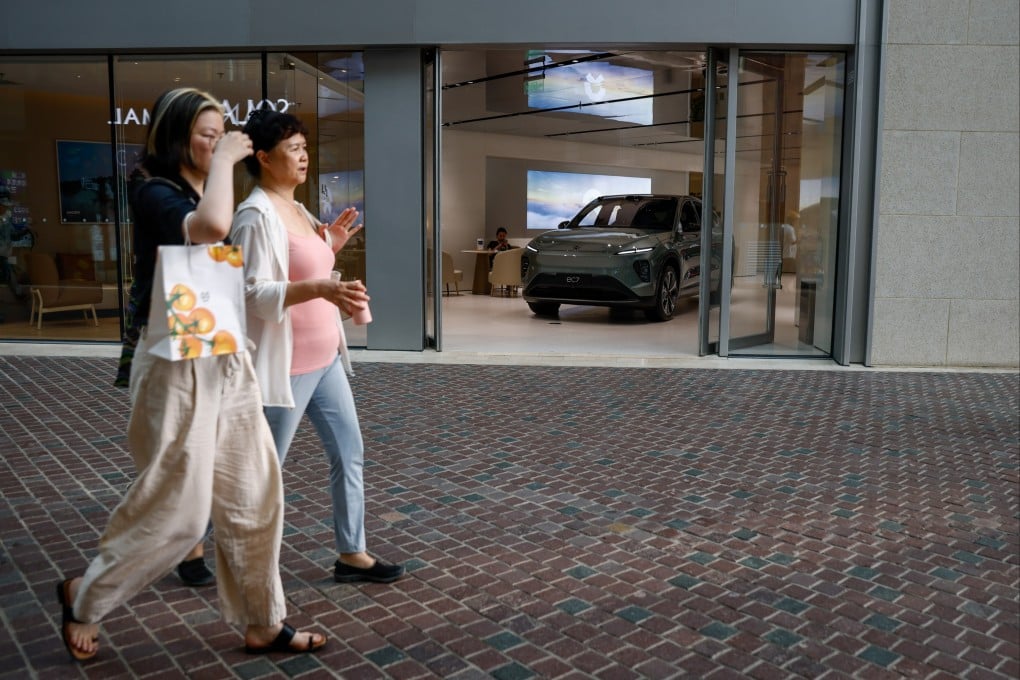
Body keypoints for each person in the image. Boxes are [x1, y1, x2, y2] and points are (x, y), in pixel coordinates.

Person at [57, 88, 327, 662]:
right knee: (181, 515)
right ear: (177, 136)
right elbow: (208, 230)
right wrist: (231, 159)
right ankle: (88, 594)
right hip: (176, 363)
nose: (218, 141)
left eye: (222, 132)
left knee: (257, 494)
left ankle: (262, 622)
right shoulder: (153, 191)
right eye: (207, 134)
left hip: (223, 351)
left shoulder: (212, 187)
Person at [229, 108, 406, 585]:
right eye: (293, 149)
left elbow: (303, 268)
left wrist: (331, 242)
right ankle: (202, 544)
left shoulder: (299, 209)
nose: (304, 156)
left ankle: (353, 554)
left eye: (305, 147)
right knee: (260, 472)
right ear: (264, 158)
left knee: (349, 451)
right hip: (284, 367)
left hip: (325, 359)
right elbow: (250, 293)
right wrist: (322, 289)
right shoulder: (253, 216)